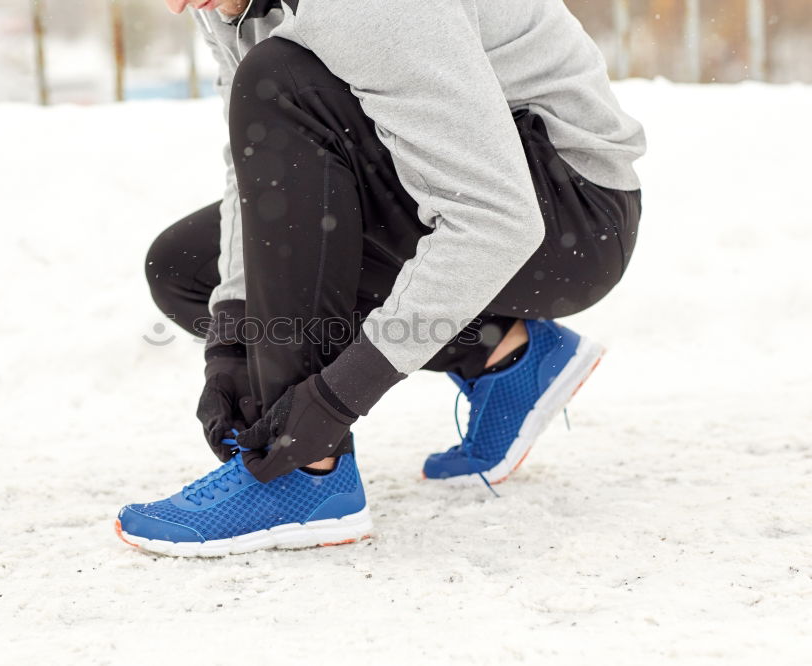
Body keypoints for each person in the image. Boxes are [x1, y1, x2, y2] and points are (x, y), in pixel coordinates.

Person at [115, 0, 645, 556]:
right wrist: (231, 343)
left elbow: (499, 220)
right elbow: (253, 163)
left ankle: (304, 476)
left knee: (281, 82)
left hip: (568, 216)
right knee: (186, 272)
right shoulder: (224, 3)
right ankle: (501, 352)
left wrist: (333, 403)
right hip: (449, 186)